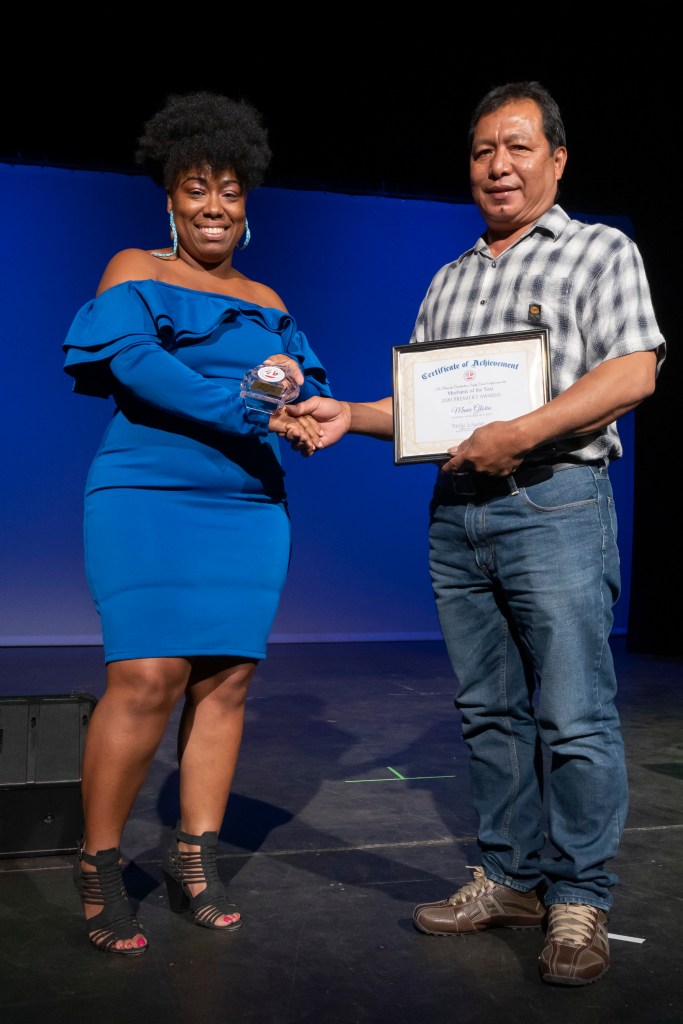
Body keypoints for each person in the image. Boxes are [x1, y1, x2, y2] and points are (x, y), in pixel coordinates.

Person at [289, 81, 666, 986]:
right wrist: (347, 415)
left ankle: (579, 898)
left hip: (554, 504)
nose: (498, 165)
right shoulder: (449, 279)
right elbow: (425, 413)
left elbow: (633, 373)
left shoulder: (598, 251)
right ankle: (508, 878)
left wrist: (520, 433)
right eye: (482, 150)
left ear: (556, 159)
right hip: (457, 516)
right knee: (489, 712)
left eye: (517, 147)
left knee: (572, 715)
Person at [62, 91, 329, 955]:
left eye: (230, 191)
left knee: (225, 680)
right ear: (170, 200)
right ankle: (99, 865)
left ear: (247, 205)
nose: (214, 205)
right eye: (195, 188)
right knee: (146, 676)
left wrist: (299, 403)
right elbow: (140, 368)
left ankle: (192, 859)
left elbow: (310, 386)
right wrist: (251, 401)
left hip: (247, 505)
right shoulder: (133, 269)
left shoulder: (265, 297)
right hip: (147, 493)